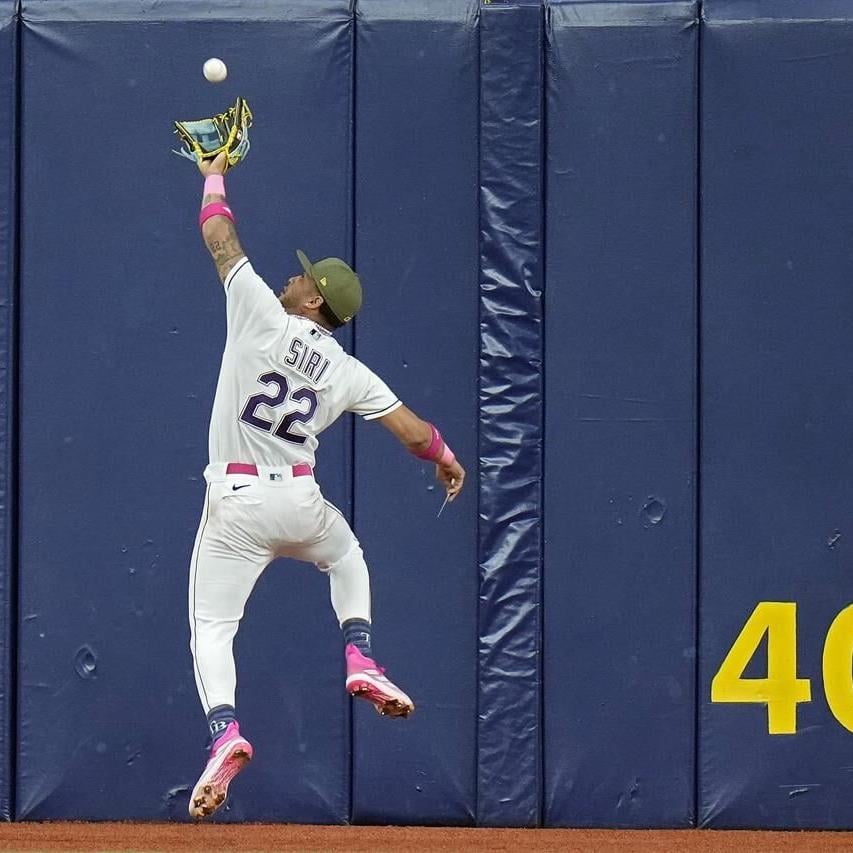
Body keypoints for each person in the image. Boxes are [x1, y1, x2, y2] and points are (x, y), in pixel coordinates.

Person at [185, 152, 466, 820]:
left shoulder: (260, 312)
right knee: (346, 555)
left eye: (303, 275)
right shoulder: (346, 370)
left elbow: (218, 234)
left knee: (211, 628)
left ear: (312, 300)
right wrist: (446, 457)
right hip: (300, 500)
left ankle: (225, 730)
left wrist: (212, 173)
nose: (292, 274)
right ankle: (360, 653)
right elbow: (410, 428)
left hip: (237, 501)